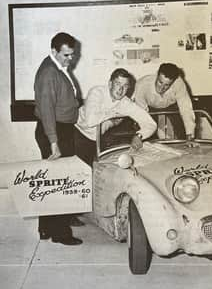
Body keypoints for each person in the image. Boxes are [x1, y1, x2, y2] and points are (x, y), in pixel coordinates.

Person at [34, 32, 82, 245]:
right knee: (60, 183)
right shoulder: (49, 73)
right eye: (66, 55)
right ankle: (60, 233)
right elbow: (46, 110)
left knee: (51, 182)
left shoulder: (57, 67)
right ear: (54, 51)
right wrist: (54, 142)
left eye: (72, 55)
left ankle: (46, 228)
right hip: (54, 131)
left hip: (59, 129)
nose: (70, 59)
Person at [74, 68, 157, 166]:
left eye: (125, 86)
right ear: (110, 84)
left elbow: (151, 124)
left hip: (98, 139)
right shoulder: (97, 92)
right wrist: (113, 116)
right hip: (78, 134)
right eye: (117, 84)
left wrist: (139, 135)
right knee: (81, 172)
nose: (121, 89)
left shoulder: (126, 103)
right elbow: (91, 121)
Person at [134, 63, 196, 142]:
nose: (162, 88)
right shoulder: (142, 85)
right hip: (149, 109)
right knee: (149, 140)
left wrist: (190, 135)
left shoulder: (179, 83)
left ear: (173, 81)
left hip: (172, 107)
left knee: (180, 137)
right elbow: (141, 114)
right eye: (160, 82)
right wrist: (141, 134)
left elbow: (186, 109)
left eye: (167, 85)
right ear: (157, 75)